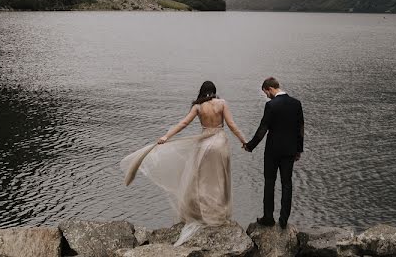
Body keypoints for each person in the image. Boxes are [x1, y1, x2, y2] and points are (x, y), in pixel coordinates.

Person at [121, 81, 248, 245]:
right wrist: (244, 141)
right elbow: (231, 125)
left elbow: (183, 123)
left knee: (202, 181)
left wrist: (167, 136)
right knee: (220, 179)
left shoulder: (198, 107)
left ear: (202, 92)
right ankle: (218, 214)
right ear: (214, 91)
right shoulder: (222, 103)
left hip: (204, 145)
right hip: (219, 143)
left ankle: (201, 214)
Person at [244, 76, 305, 229]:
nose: (266, 96)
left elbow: (262, 129)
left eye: (266, 93)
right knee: (287, 183)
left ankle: (268, 218)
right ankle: (284, 220)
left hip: (272, 151)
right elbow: (301, 129)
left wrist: (250, 146)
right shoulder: (296, 104)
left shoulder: (271, 105)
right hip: (290, 150)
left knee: (269, 182)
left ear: (269, 89)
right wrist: (299, 149)